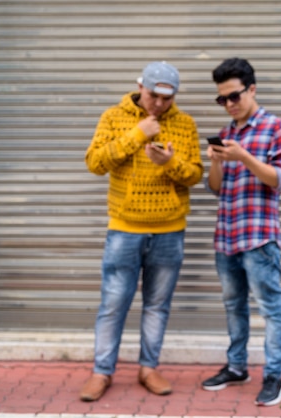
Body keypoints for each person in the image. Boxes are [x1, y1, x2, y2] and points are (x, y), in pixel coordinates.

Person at [80, 61, 204, 401]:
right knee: (113, 303)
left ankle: (149, 368)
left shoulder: (185, 124)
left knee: (157, 304)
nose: (160, 105)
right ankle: (101, 372)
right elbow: (95, 163)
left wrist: (170, 164)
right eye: (154, 96)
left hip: (170, 230)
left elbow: (195, 174)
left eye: (168, 98)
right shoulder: (113, 117)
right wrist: (137, 135)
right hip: (124, 229)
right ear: (140, 87)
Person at [201, 57, 281, 407]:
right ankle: (237, 366)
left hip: (259, 238)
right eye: (221, 99)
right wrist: (216, 161)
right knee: (233, 306)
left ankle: (273, 377)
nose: (228, 104)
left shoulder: (274, 127)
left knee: (271, 308)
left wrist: (244, 158)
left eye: (234, 96)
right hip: (226, 236)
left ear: (252, 89)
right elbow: (215, 188)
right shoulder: (226, 134)